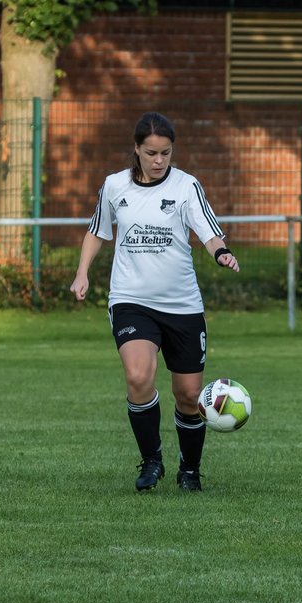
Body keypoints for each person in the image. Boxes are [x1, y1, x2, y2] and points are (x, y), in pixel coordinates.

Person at [70, 111, 240, 492]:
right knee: (138, 376)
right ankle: (151, 461)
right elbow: (96, 232)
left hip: (182, 305)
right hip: (131, 300)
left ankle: (190, 470)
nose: (160, 160)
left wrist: (221, 253)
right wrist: (82, 273)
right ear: (137, 149)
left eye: (166, 153)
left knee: (189, 394)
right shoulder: (115, 186)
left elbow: (209, 232)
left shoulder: (186, 186)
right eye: (152, 153)